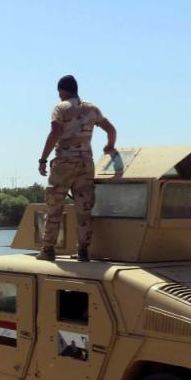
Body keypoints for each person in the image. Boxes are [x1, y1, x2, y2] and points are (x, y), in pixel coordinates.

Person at [37, 74, 116, 262]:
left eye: (59, 92)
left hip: (64, 163)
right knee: (84, 209)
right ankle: (83, 251)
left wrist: (43, 159)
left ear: (63, 90)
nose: (58, 96)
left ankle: (48, 249)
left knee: (54, 206)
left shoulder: (60, 108)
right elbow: (111, 129)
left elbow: (55, 132)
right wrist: (109, 146)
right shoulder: (92, 108)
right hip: (85, 165)